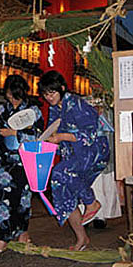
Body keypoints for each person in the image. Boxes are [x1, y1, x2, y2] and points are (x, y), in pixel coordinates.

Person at [37, 70, 110, 251]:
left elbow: (91, 133)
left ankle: (91, 202)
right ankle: (82, 238)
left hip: (93, 150)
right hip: (75, 154)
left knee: (61, 172)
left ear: (62, 88)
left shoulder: (77, 103)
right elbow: (51, 134)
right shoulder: (55, 109)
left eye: (52, 92)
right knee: (61, 191)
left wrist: (61, 136)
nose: (49, 97)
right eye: (45, 94)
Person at [0, 74, 44, 258]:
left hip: (25, 160)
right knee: (3, 200)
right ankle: (2, 239)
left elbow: (39, 135)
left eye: (14, 94)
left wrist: (15, 133)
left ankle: (22, 234)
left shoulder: (33, 110)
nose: (11, 98)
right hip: (6, 161)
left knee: (23, 200)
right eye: (9, 94)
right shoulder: (1, 110)